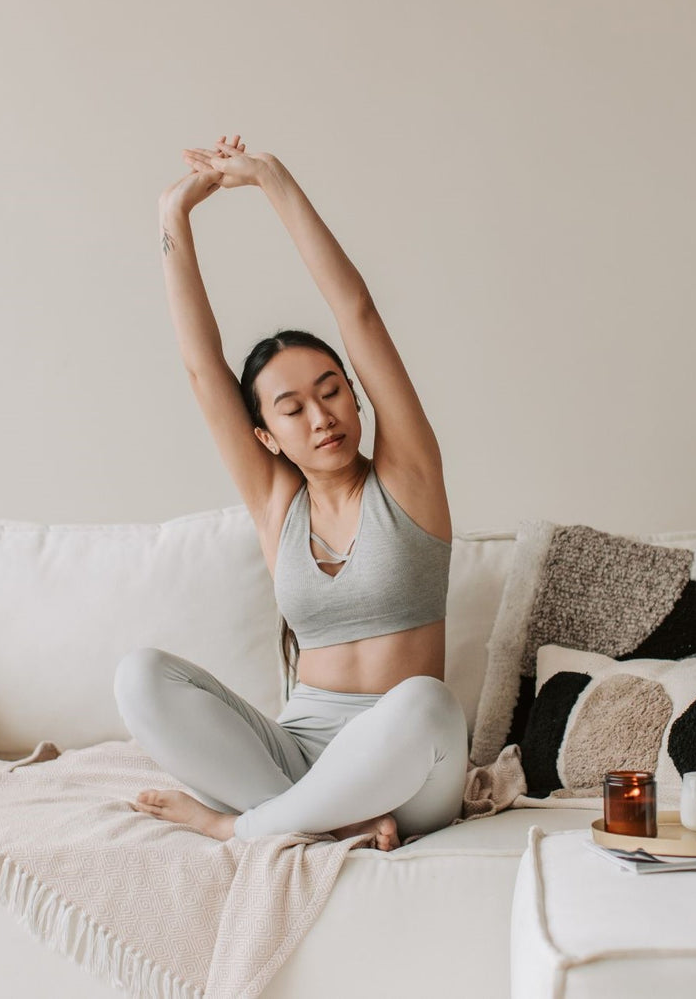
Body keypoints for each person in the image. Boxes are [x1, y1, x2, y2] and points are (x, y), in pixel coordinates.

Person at [113, 134, 468, 851]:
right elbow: (200, 368)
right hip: (300, 755)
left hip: (409, 770)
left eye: (332, 390)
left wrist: (273, 179)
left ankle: (244, 826)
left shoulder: (409, 479)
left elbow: (358, 311)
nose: (322, 415)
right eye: (292, 407)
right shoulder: (277, 504)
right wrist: (172, 216)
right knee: (139, 676)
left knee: (426, 703)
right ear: (266, 436)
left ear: (358, 400)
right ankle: (327, 819)